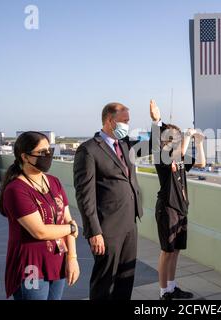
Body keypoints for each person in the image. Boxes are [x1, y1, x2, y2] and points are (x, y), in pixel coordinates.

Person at [73, 102, 158, 300]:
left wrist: (156, 121)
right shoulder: (89, 150)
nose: (128, 125)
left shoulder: (125, 144)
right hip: (107, 227)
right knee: (105, 281)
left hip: (129, 223)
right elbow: (85, 195)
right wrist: (94, 231)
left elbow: (154, 146)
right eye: (125, 121)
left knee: (125, 279)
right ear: (110, 121)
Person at [0, 131, 80, 300]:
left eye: (49, 150)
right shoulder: (16, 190)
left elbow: (67, 217)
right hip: (31, 267)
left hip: (57, 261)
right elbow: (40, 232)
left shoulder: (54, 182)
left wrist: (72, 258)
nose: (47, 156)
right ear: (25, 157)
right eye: (41, 152)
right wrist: (71, 228)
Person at [149, 100, 206, 300]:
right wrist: (157, 121)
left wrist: (198, 143)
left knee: (176, 251)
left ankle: (172, 287)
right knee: (167, 251)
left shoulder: (179, 159)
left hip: (181, 209)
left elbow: (201, 162)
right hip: (167, 208)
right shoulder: (163, 159)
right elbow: (158, 145)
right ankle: (164, 292)